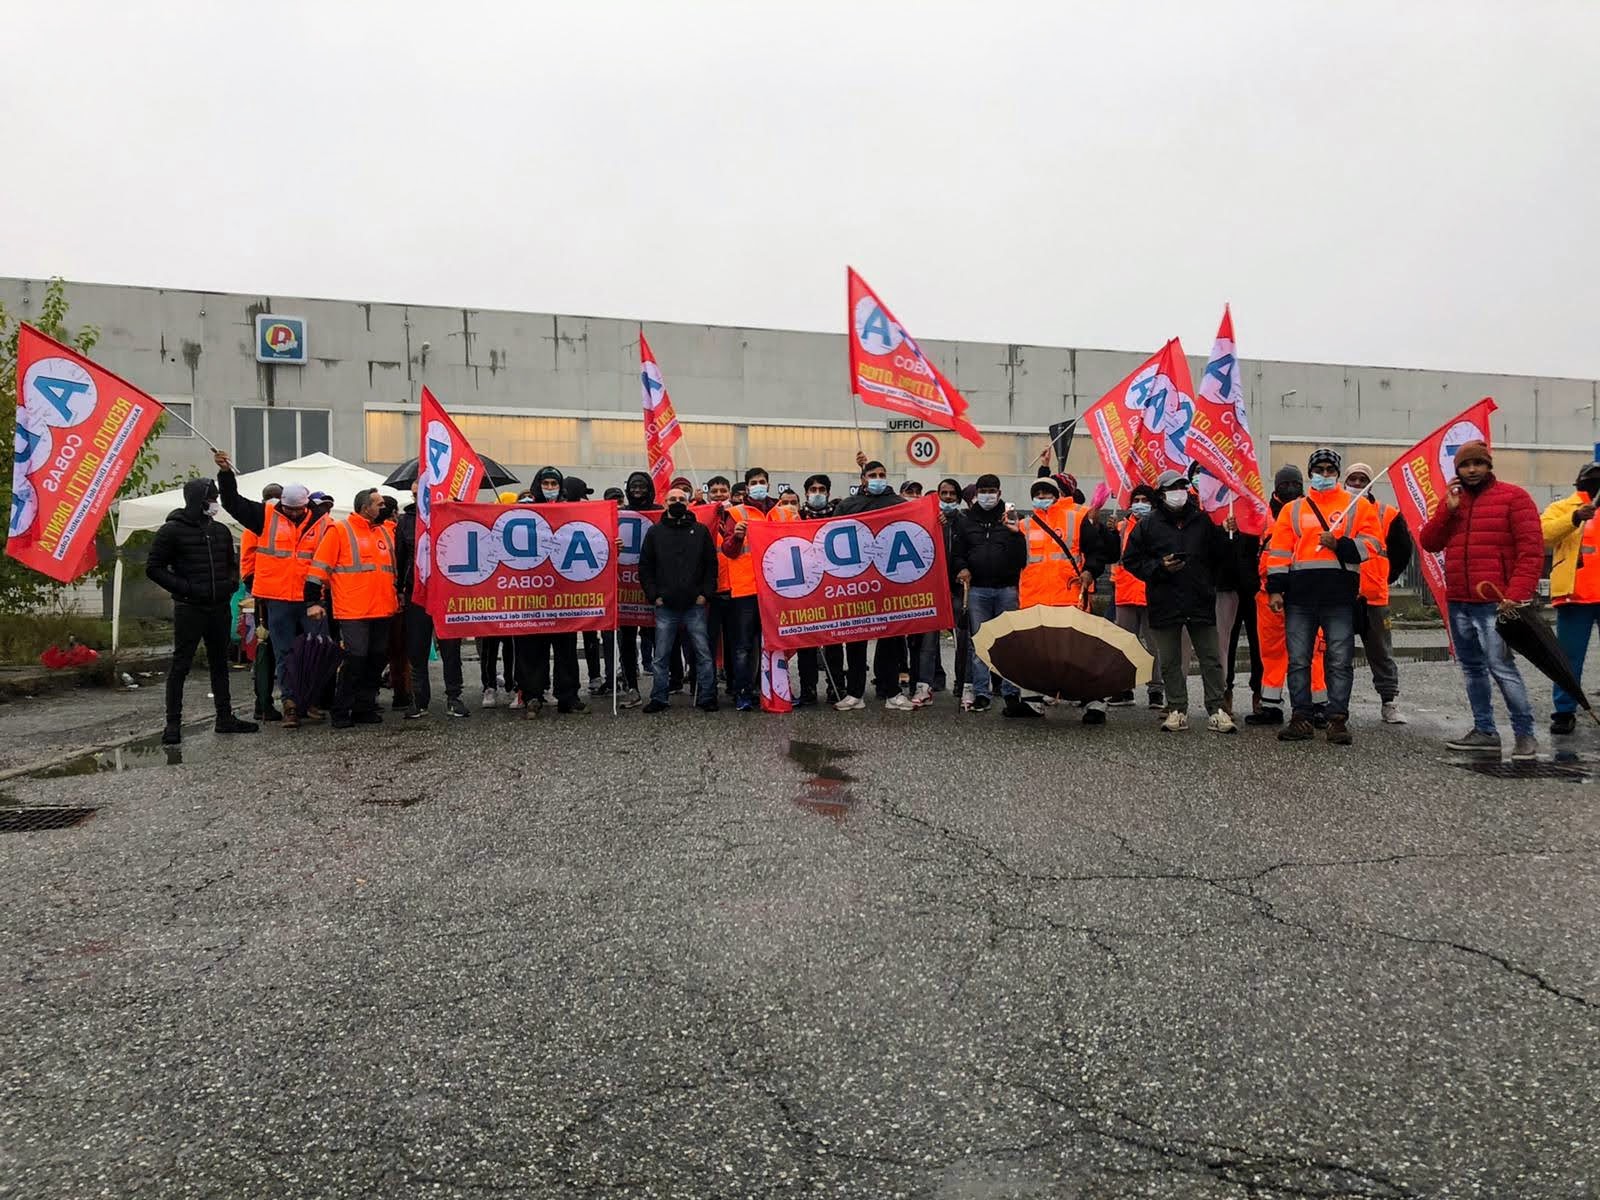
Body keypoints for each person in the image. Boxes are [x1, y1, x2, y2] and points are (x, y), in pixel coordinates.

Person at [1419, 440, 1543, 760]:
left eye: (1478, 463)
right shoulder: (1453, 502)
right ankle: (1485, 731)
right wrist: (1446, 511)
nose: (1471, 470)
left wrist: (1515, 594)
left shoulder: (1515, 498)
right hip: (1459, 599)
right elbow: (1430, 542)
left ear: (1489, 465)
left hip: (1495, 603)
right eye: (1465, 465)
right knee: (1473, 669)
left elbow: (1531, 552)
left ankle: (1525, 734)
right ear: (1456, 469)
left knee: (1501, 667)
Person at [1265, 448, 1385, 747]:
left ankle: (1337, 721)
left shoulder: (1356, 506)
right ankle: (1301, 718)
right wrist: (1276, 589)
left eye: (1330, 470)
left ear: (1337, 473)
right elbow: (1279, 552)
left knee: (1340, 661)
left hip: (1339, 597)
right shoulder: (1293, 509)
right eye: (1318, 469)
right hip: (1299, 598)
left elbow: (1373, 545)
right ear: (1310, 474)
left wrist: (1340, 544)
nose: (1324, 475)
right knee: (1298, 661)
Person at [215, 451, 331, 730]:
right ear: (281, 503)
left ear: (306, 505)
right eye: (288, 509)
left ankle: (310, 701)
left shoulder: (322, 522)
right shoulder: (264, 516)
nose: (292, 514)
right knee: (285, 653)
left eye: (297, 510)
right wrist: (225, 474)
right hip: (277, 599)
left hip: (310, 600)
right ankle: (290, 705)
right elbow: (232, 502)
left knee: (316, 652)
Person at [1123, 470, 1237, 733]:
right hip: (1165, 599)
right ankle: (1176, 708)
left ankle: (1216, 709)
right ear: (1162, 494)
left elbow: (1220, 556)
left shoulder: (1203, 521)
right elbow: (1131, 560)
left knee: (1210, 657)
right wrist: (1159, 567)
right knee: (1170, 659)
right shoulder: (1148, 525)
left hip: (1199, 598)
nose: (1179, 492)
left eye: (1182, 487)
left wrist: (1228, 535)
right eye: (1173, 488)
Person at [146, 478, 258, 745]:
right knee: (180, 665)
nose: (216, 503)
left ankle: (225, 717)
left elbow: (232, 563)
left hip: (218, 606)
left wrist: (230, 585)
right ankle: (173, 723)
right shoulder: (171, 531)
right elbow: (154, 567)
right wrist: (185, 588)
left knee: (220, 664)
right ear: (199, 499)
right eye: (212, 498)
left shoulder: (220, 531)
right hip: (189, 607)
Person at [305, 487, 400, 729]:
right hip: (354, 610)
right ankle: (342, 709)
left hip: (383, 608)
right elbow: (318, 568)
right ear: (364, 507)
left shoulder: (386, 531)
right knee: (355, 661)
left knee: (377, 659)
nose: (383, 507)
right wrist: (313, 601)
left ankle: (364, 706)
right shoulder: (340, 530)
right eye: (378, 503)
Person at [1015, 473, 1105, 721]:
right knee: (1035, 654)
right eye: (1037, 494)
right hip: (1034, 599)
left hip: (1069, 596)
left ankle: (1095, 702)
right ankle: (1033, 701)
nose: (1042, 498)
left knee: (1080, 653)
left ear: (1057, 496)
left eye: (1047, 493)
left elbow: (1096, 551)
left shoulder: (1076, 518)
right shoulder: (1024, 524)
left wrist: (1090, 571)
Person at [1247, 466, 1327, 727]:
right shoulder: (1262, 515)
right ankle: (1270, 705)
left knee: (1313, 652)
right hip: (1268, 593)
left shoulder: (1311, 510)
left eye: (1295, 483)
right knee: (1271, 652)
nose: (1291, 487)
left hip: (1305, 593)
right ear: (1277, 487)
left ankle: (1318, 705)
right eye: (1286, 483)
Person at [717, 466, 797, 711]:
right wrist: (737, 537)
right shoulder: (735, 513)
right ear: (747, 486)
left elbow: (797, 543)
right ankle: (743, 692)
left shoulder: (783, 513)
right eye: (754, 482)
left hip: (776, 589)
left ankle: (779, 690)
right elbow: (729, 551)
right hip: (746, 589)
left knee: (777, 643)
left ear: (769, 485)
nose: (759, 485)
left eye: (763, 481)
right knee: (743, 646)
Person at [513, 467, 587, 717]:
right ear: (537, 484)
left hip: (562, 591)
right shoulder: (522, 511)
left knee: (566, 648)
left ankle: (568, 696)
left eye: (553, 483)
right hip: (532, 593)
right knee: (531, 648)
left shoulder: (571, 511)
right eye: (545, 482)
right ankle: (533, 696)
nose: (549, 487)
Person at [831, 458, 905, 710]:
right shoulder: (848, 506)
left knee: (891, 638)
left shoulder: (898, 504)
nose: (877, 478)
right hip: (858, 580)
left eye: (882, 474)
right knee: (855, 637)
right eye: (872, 474)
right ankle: (855, 693)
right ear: (863, 479)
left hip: (889, 581)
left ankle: (892, 691)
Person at [639, 483, 719, 713]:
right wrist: (653, 595)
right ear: (665, 503)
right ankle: (659, 697)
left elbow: (711, 565)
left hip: (695, 604)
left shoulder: (701, 530)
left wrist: (705, 593)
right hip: (665, 606)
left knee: (703, 653)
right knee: (661, 655)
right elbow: (645, 566)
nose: (677, 503)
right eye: (672, 499)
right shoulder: (655, 532)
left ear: (688, 503)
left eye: (681, 500)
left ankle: (707, 696)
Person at [952, 473, 1027, 713]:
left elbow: (1021, 559)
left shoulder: (1011, 518)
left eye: (991, 491)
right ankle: (981, 692)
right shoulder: (967, 520)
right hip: (977, 590)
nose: (987, 495)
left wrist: (1016, 534)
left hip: (1006, 589)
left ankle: (1011, 691)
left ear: (999, 493)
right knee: (979, 642)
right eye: (983, 491)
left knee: (1010, 642)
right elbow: (957, 553)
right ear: (977, 494)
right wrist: (962, 568)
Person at [1344, 462, 1412, 723]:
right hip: (1342, 596)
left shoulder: (1388, 514)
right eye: (1354, 479)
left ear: (1370, 484)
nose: (1358, 484)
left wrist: (1386, 576)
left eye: (1363, 480)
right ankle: (1337, 704)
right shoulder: (1336, 511)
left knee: (1381, 652)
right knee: (1338, 653)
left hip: (1374, 595)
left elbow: (1402, 551)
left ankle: (1389, 702)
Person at [395, 485, 468, 720]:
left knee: (451, 649)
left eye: (423, 494)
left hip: (447, 593)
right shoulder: (406, 521)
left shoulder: (452, 515)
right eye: (416, 494)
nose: (419, 498)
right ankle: (419, 700)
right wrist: (399, 591)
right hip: (416, 593)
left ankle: (454, 697)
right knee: (417, 649)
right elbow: (400, 558)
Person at [1542, 462, 1600, 736]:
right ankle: (1564, 712)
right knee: (1568, 658)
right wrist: (1575, 517)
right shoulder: (1562, 508)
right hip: (1575, 597)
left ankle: (1565, 711)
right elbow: (1544, 534)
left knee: (1568, 657)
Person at [1110, 484, 1164, 710]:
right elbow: (1113, 553)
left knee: (1154, 647)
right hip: (1125, 591)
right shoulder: (1121, 526)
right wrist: (1109, 532)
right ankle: (1124, 689)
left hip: (1151, 591)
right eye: (1136, 499)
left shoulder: (1160, 526)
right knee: (1124, 644)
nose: (1139, 503)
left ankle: (1155, 691)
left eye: (1144, 500)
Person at [794, 473, 845, 706]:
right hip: (805, 585)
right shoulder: (795, 518)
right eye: (812, 489)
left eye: (821, 489)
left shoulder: (838, 515)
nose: (817, 493)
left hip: (831, 584)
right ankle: (808, 688)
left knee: (834, 641)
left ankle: (836, 687)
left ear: (828, 493)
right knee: (806, 643)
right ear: (805, 493)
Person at [239, 479, 283, 721]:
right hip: (266, 590)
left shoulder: (255, 523)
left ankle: (263, 702)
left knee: (266, 644)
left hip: (261, 588)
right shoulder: (264, 523)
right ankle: (263, 703)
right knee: (267, 645)